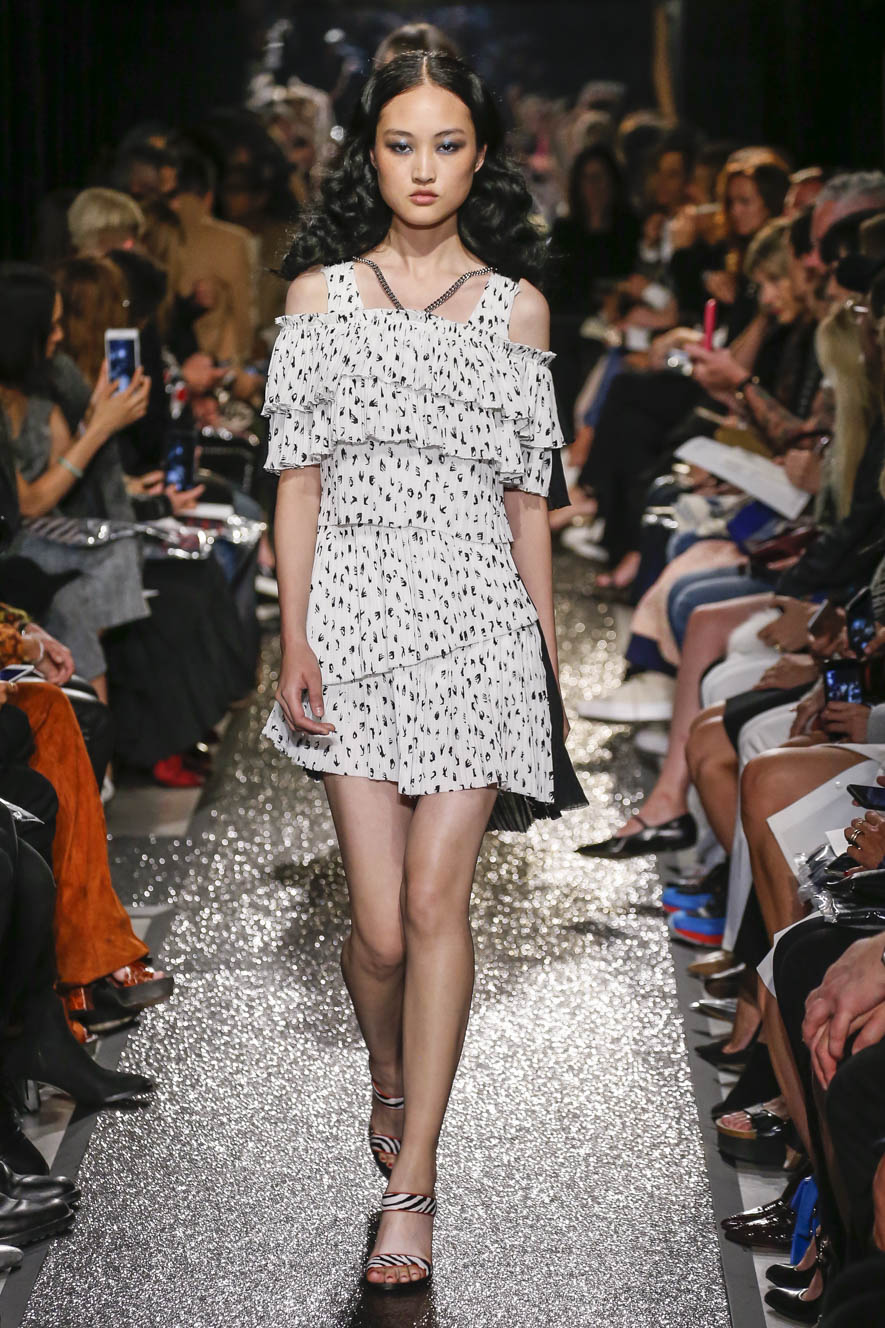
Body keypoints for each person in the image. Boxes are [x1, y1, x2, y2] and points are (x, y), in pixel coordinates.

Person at [263, 51, 585, 1292]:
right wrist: (295, 636)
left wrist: (541, 658)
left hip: (477, 625)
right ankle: (387, 1069)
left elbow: (527, 502)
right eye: (402, 144)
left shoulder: (518, 310)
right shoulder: (318, 298)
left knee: (439, 906)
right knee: (381, 930)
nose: (424, 168)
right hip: (350, 623)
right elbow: (298, 482)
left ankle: (416, 1182)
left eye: (448, 145)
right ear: (370, 153)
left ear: (482, 157)